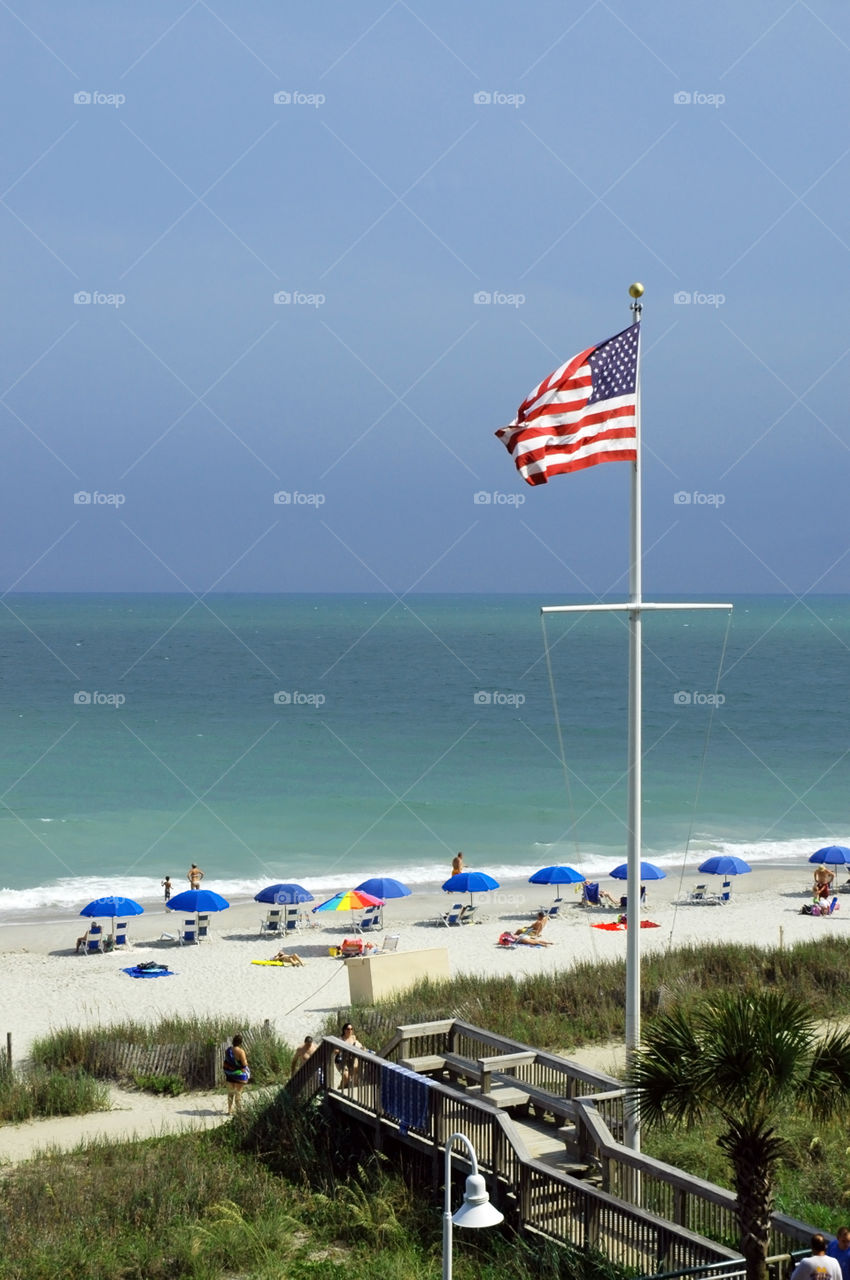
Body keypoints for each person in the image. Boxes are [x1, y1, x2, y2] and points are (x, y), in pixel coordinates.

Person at [223, 1033, 250, 1114]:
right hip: (239, 1075)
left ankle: (229, 1110)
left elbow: (227, 1061)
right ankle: (239, 1111)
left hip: (230, 1073)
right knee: (238, 1093)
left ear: (233, 1041)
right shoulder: (241, 1052)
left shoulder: (228, 1050)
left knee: (230, 1093)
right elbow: (244, 1064)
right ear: (240, 1042)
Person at [336, 1022, 363, 1089]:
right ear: (344, 1030)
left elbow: (359, 1045)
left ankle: (350, 1090)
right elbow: (335, 1050)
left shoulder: (353, 1038)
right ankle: (340, 1089)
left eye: (351, 1029)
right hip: (343, 1060)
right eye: (348, 1029)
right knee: (346, 1076)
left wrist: (362, 1048)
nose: (350, 1031)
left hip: (353, 1059)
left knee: (355, 1076)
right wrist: (342, 1050)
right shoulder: (340, 1039)